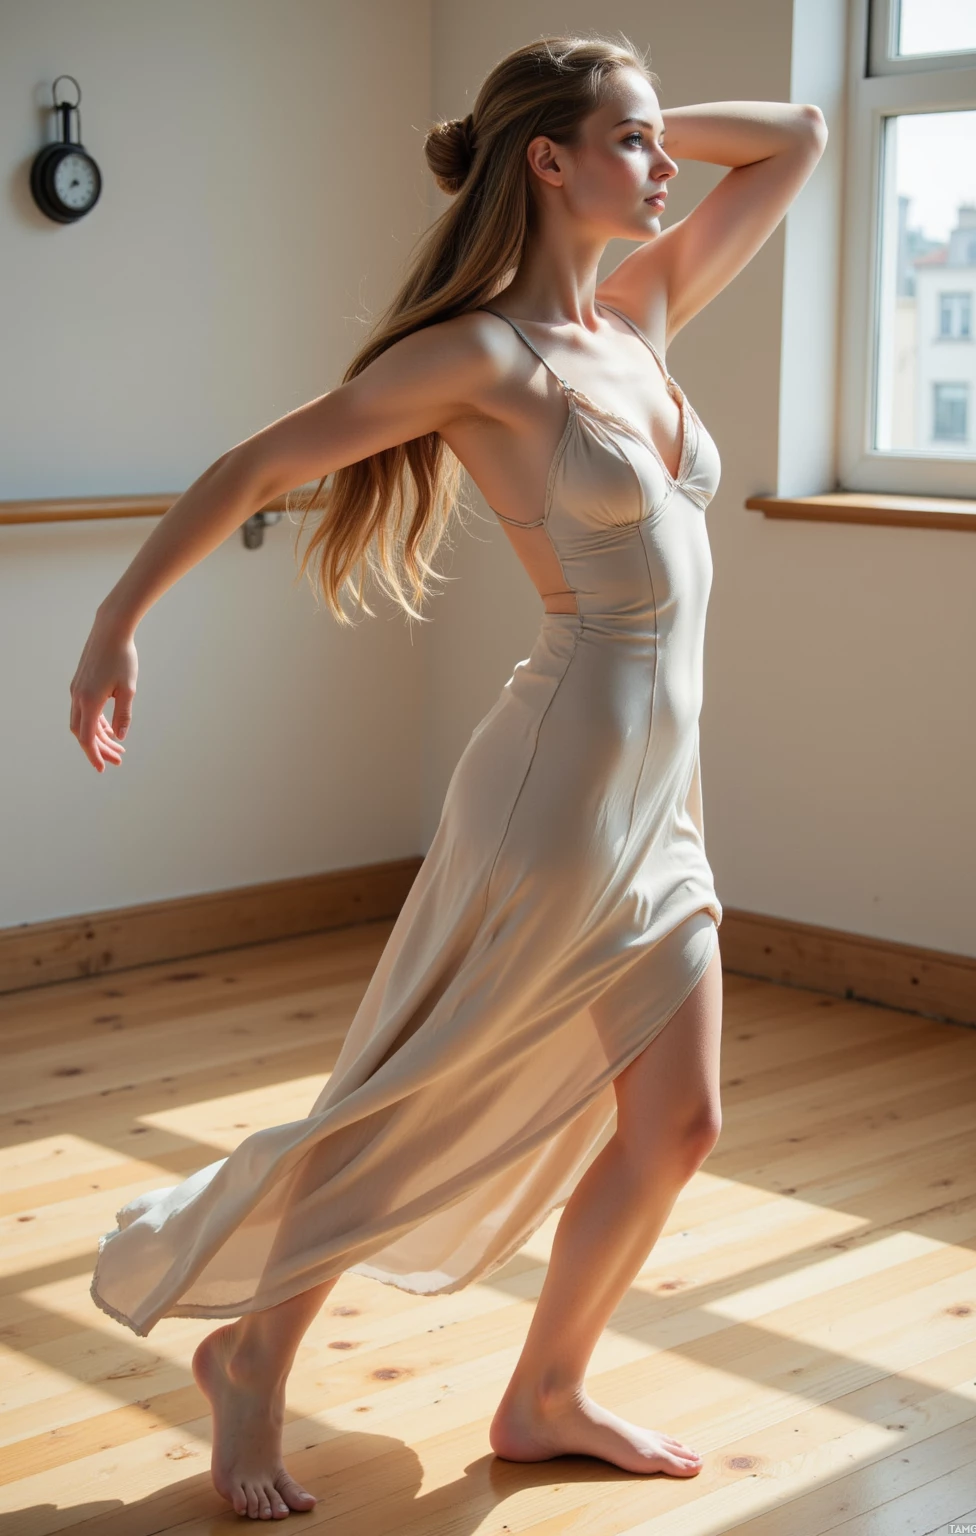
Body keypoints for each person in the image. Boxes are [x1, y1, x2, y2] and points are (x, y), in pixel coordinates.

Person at [69, 32, 826, 1523]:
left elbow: (798, 132)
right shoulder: (484, 355)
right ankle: (251, 1350)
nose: (664, 164)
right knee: (412, 1096)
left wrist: (643, 104)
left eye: (659, 139)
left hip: (660, 804)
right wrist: (114, 626)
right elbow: (255, 466)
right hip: (550, 794)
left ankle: (545, 1393)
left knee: (679, 1125)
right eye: (628, 140)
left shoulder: (647, 308)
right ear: (547, 162)